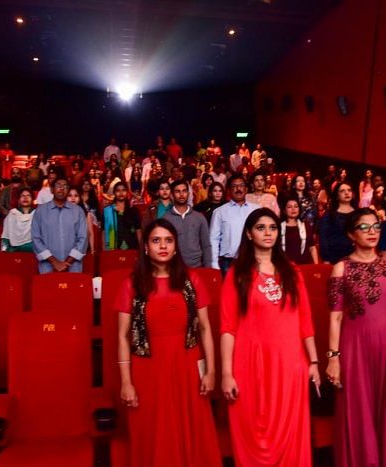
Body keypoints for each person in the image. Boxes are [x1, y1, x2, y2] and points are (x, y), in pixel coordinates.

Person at [116, 219, 221, 467]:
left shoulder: (192, 281)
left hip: (188, 366)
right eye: (155, 240)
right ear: (145, 248)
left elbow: (205, 328)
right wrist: (126, 381)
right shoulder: (132, 284)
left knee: (193, 431)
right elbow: (123, 335)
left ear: (175, 247)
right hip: (147, 370)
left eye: (168, 240)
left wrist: (211, 372)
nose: (162, 246)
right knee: (154, 433)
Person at [220, 208, 320, 467]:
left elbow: (305, 320)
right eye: (261, 227)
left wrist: (315, 362)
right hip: (250, 364)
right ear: (249, 234)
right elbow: (228, 327)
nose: (268, 233)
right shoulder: (237, 274)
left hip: (290, 363)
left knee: (290, 434)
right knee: (254, 433)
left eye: (273, 228)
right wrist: (227, 373)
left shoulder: (292, 272)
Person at [327, 208, 386, 467]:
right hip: (356, 347)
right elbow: (335, 317)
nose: (372, 233)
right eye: (364, 227)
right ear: (351, 234)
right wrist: (334, 358)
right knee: (361, 408)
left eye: (376, 227)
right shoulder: (340, 268)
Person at [31, 178, 88, 273]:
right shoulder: (40, 211)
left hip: (73, 266)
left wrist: (66, 262)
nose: (61, 188)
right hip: (48, 266)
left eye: (65, 186)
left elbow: (83, 239)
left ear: (68, 190)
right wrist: (54, 262)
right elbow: (36, 239)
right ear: (52, 189)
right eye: (58, 185)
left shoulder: (78, 211)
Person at [209, 175, 260, 274]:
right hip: (228, 262)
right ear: (229, 190)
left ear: (246, 189)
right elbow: (213, 239)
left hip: (252, 260)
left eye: (241, 185)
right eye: (234, 186)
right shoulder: (219, 212)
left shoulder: (256, 210)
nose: (238, 189)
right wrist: (214, 263)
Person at [163, 180, 211, 268]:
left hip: (197, 267)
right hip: (174, 268)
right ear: (172, 195)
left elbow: (206, 245)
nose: (181, 194)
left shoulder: (199, 217)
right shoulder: (165, 219)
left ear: (188, 194)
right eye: (177, 191)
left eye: (184, 191)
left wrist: (208, 267)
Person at [318, 182, 355, 264]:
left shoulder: (359, 213)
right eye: (342, 191)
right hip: (335, 257)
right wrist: (326, 259)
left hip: (356, 255)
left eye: (349, 190)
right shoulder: (329, 214)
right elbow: (323, 238)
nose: (346, 193)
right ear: (337, 196)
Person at [103, 182, 142, 251]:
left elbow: (138, 230)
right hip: (113, 248)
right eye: (118, 190)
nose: (121, 193)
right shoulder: (108, 211)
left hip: (132, 248)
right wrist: (104, 251)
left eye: (123, 190)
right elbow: (103, 232)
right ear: (114, 193)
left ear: (127, 192)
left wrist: (141, 250)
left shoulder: (133, 210)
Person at [280, 197, 319, 265]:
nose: (293, 209)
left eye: (296, 206)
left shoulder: (306, 225)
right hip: (285, 265)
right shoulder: (279, 227)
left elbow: (312, 248)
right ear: (284, 210)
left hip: (305, 265)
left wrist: (316, 266)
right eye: (289, 207)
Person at [1, 187, 34, 252]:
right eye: (22, 196)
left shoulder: (37, 214)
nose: (25, 198)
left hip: (32, 247)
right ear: (18, 200)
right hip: (14, 248)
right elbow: (5, 235)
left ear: (32, 200)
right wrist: (4, 251)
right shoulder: (12, 214)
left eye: (28, 196)